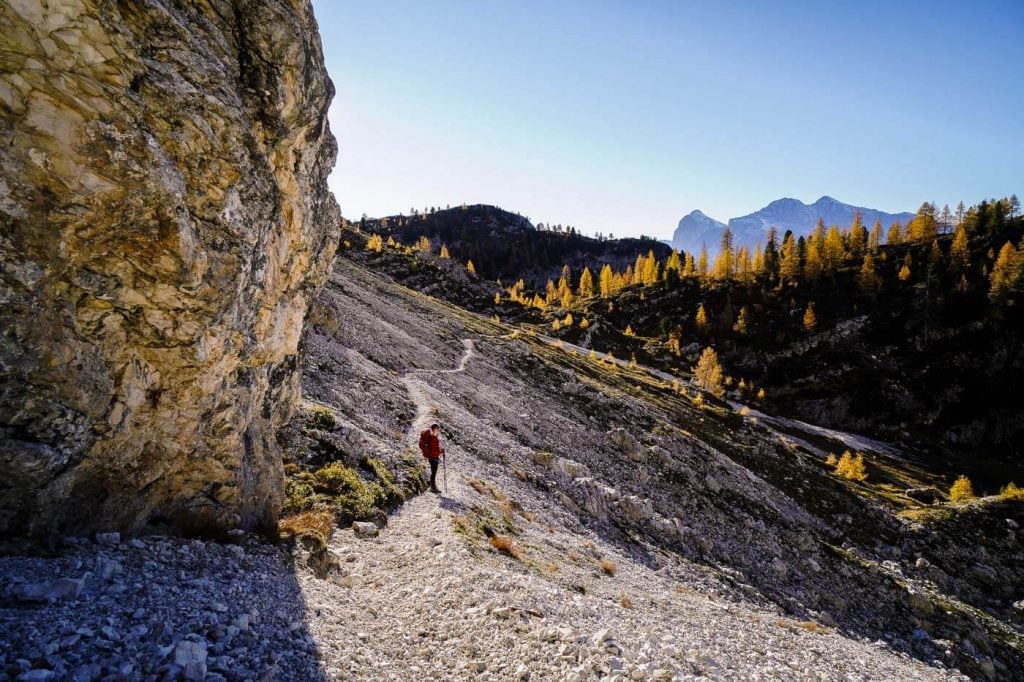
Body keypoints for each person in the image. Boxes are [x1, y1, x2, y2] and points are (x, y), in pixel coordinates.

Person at [418, 423, 445, 493]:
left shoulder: (434, 437)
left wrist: (440, 450)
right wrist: (440, 452)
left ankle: (433, 486)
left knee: (434, 472)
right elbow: (433, 451)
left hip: (433, 457)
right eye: (436, 429)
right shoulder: (433, 439)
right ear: (433, 430)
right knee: (433, 473)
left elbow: (435, 448)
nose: (438, 431)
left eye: (438, 429)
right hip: (433, 457)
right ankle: (433, 488)